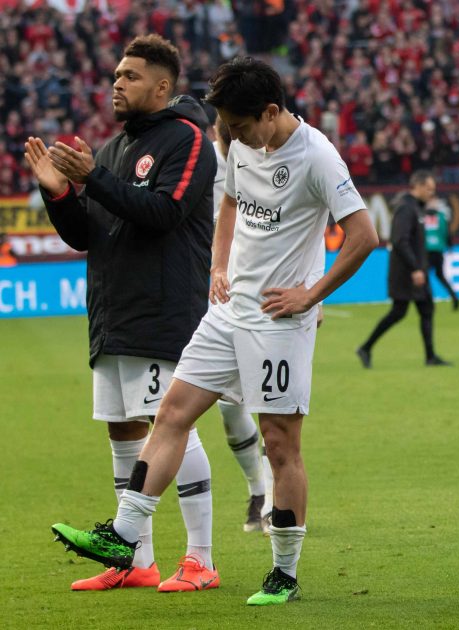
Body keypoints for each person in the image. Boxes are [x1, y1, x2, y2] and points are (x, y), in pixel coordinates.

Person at [48, 56, 379, 606]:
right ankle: (125, 533)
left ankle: (284, 572)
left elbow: (363, 234)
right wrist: (218, 266)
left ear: (271, 112)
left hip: (278, 320)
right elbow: (228, 202)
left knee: (280, 444)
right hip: (226, 313)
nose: (231, 134)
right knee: (172, 411)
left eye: (240, 124)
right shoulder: (237, 140)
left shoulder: (317, 155)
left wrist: (311, 293)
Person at [27, 35, 220, 593]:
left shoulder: (187, 140)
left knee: (172, 424)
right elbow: (86, 234)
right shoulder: (110, 150)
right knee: (123, 429)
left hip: (162, 311)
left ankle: (201, 559)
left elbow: (164, 213)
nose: (116, 83)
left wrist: (96, 179)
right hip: (112, 313)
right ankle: (135, 561)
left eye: (130, 76)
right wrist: (59, 193)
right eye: (116, 74)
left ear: (162, 86)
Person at [208, 107, 271, 534]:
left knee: (271, 403)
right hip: (212, 293)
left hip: (262, 294)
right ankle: (257, 489)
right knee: (230, 409)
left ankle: (272, 500)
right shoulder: (202, 161)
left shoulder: (266, 157)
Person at [357, 170, 449, 368]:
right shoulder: (406, 209)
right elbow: (400, 240)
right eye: (429, 188)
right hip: (406, 272)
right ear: (417, 186)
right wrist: (415, 268)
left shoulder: (415, 208)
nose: (431, 193)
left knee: (426, 310)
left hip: (416, 270)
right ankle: (365, 347)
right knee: (399, 312)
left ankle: (430, 356)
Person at [422, 198, 459, 310]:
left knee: (425, 277)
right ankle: (454, 296)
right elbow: (447, 233)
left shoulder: (422, 216)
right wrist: (450, 246)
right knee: (440, 276)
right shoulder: (442, 216)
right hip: (438, 250)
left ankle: (429, 301)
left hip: (427, 250)